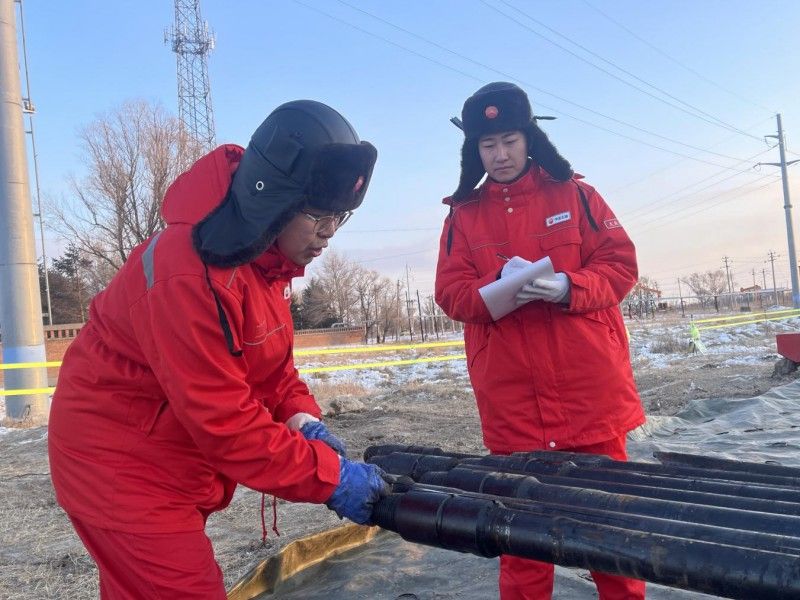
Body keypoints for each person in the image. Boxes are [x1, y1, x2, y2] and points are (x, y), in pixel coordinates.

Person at [48, 100, 388, 599]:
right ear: (272, 198)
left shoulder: (263, 267)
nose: (329, 233)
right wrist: (330, 478)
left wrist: (303, 419)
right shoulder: (186, 272)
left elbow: (272, 373)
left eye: (340, 216)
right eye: (317, 214)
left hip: (170, 460)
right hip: (120, 467)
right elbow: (226, 424)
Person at [435, 82, 647, 600]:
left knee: (608, 532)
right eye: (488, 145)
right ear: (474, 151)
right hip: (513, 403)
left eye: (509, 140)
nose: (500, 154)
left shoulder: (576, 194)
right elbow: (450, 293)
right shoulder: (463, 215)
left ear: (528, 139)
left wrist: (568, 286)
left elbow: (620, 267)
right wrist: (495, 295)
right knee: (522, 540)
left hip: (589, 396)